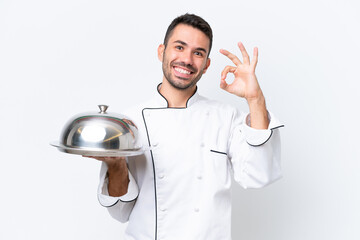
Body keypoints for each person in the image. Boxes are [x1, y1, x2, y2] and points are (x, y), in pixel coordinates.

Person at [90, 13, 283, 240]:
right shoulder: (129, 123)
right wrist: (116, 166)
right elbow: (120, 211)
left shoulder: (226, 118)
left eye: (198, 53)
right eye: (179, 47)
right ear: (162, 51)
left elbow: (259, 175)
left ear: (207, 65)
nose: (187, 60)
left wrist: (254, 98)